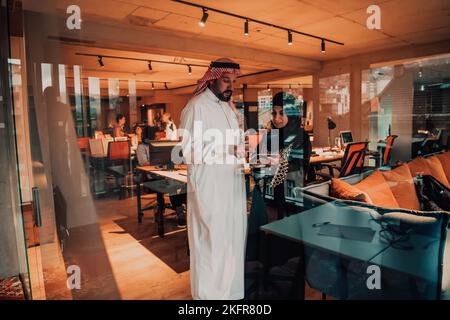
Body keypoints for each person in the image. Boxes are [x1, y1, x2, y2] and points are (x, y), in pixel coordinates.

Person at [179, 58, 246, 300]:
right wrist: (225, 148)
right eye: (226, 80)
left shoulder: (228, 108)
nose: (230, 86)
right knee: (210, 245)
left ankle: (231, 294)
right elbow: (187, 151)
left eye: (233, 82)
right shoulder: (196, 107)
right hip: (210, 189)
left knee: (231, 244)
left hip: (232, 185)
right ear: (212, 79)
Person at [266, 91, 312, 220]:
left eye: (282, 113)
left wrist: (280, 162)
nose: (276, 118)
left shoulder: (301, 136)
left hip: (292, 196)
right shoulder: (274, 135)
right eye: (274, 113)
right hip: (273, 196)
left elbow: (300, 167)